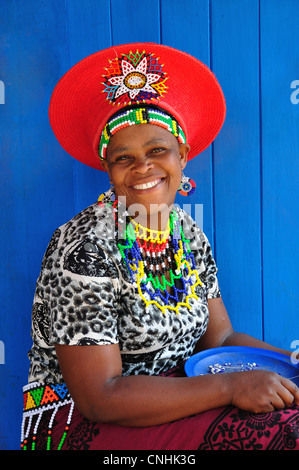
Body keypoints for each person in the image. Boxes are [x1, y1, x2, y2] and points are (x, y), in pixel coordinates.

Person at [21, 43, 299, 451]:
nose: (142, 168)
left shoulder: (188, 233)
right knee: (280, 435)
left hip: (183, 394)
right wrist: (230, 387)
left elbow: (219, 342)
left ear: (182, 154)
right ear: (108, 169)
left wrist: (292, 369)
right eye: (123, 157)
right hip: (76, 423)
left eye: (157, 151)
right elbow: (99, 397)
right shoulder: (83, 248)